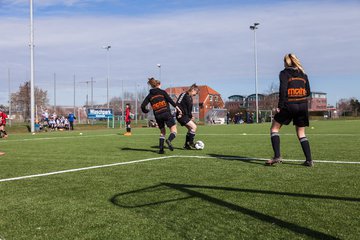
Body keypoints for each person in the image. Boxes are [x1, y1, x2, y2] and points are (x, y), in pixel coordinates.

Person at [266, 53, 313, 167]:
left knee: (274, 129)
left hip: (289, 105)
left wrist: (280, 106)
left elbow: (283, 90)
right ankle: (309, 160)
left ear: (286, 62)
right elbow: (308, 92)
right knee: (301, 133)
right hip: (302, 105)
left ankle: (277, 156)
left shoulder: (284, 73)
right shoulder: (303, 74)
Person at [141, 77, 182, 154]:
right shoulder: (162, 92)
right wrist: (178, 109)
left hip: (157, 115)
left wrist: (145, 111)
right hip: (166, 113)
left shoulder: (149, 95)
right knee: (174, 130)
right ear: (158, 85)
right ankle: (169, 140)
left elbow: (142, 106)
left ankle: (161, 150)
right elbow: (170, 101)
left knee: (162, 132)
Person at [176, 84, 200, 149]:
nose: (195, 94)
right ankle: (191, 143)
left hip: (186, 116)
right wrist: (179, 113)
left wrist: (191, 116)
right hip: (181, 116)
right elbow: (177, 104)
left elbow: (189, 109)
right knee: (194, 127)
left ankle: (186, 145)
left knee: (190, 129)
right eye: (196, 93)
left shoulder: (190, 98)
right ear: (193, 90)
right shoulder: (183, 95)